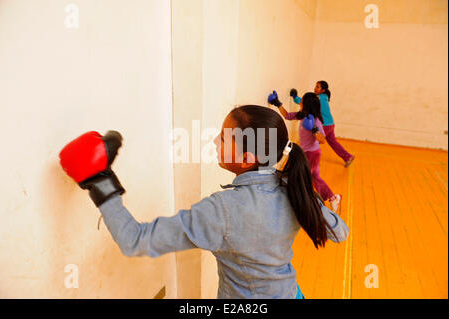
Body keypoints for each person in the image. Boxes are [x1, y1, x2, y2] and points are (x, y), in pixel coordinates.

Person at [58, 105, 349, 299]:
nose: (215, 143)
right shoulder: (293, 188)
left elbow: (135, 240)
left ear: (248, 159)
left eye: (224, 138)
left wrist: (101, 183)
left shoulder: (223, 210)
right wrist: (313, 206)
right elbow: (340, 232)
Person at [268, 91, 342, 213]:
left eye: (302, 100)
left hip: (312, 154)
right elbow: (287, 115)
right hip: (306, 152)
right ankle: (333, 198)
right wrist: (277, 103)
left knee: (300, 176)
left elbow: (322, 140)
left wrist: (314, 128)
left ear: (307, 104)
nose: (300, 101)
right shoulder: (302, 115)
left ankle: (297, 203)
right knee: (315, 177)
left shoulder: (316, 120)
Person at [290, 82, 355, 167]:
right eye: (315, 86)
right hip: (330, 123)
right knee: (333, 142)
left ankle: (307, 163)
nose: (315, 88)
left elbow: (305, 102)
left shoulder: (319, 98)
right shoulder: (324, 97)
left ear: (323, 90)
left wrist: (295, 97)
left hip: (325, 125)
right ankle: (348, 157)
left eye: (317, 87)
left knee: (312, 143)